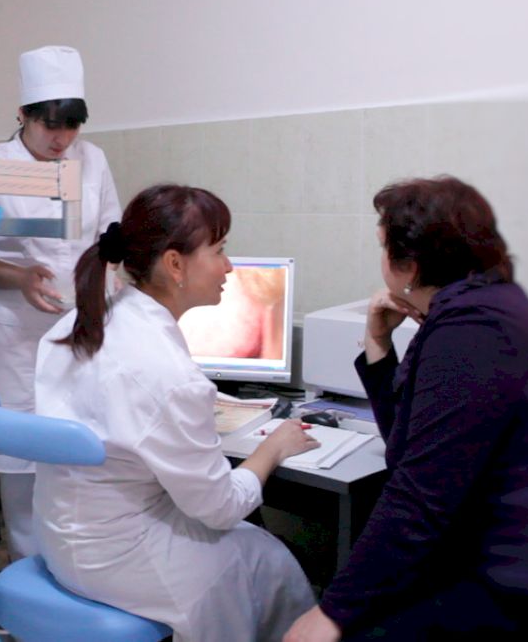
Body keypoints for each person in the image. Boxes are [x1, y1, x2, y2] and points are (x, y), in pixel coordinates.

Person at [285, 176, 528, 641]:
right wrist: (378, 342)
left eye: (384, 247)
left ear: (408, 267)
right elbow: (407, 448)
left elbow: (417, 498)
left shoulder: (470, 331)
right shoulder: (481, 307)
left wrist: (332, 611)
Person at [34, 184, 318, 642]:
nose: (229, 266)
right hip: (120, 560)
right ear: (175, 264)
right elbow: (221, 509)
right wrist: (272, 449)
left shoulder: (78, 324)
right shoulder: (168, 374)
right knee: (267, 557)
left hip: (60, 537)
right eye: (219, 251)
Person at [0, 45, 120, 560]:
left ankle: (80, 570)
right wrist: (20, 277)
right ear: (22, 115)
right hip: (14, 335)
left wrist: (110, 287)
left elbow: (110, 238)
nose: (61, 139)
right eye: (50, 125)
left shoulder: (93, 159)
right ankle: (30, 573)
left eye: (72, 126)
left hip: (81, 329)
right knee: (22, 464)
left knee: (83, 453)